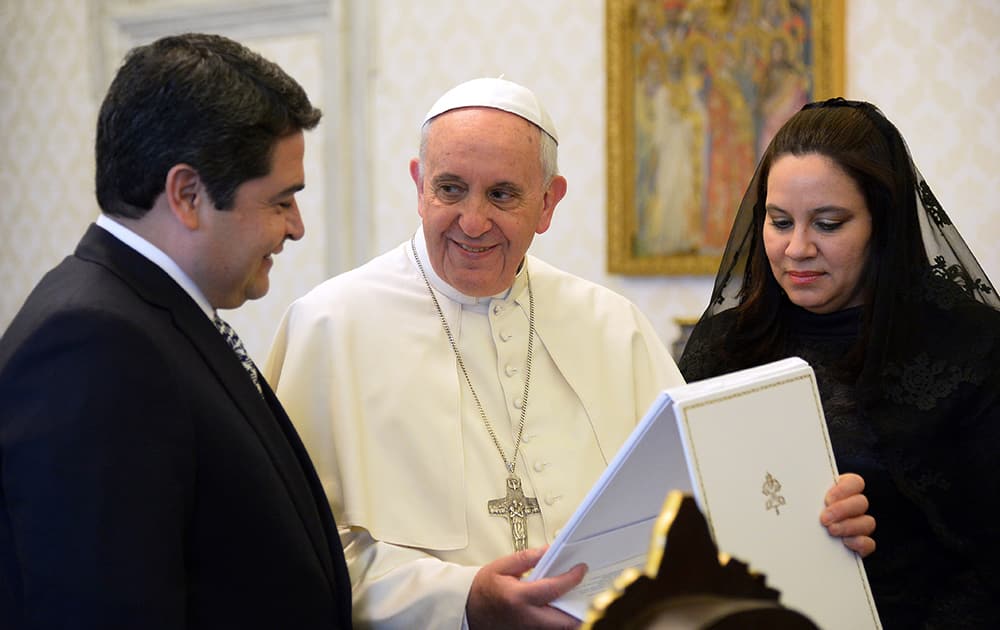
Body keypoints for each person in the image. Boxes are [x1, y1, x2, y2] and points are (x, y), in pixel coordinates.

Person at [265, 79, 871, 629]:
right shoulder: (330, 325)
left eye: (503, 195)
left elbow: (711, 502)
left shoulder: (610, 325)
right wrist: (464, 599)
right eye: (450, 189)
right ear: (419, 186)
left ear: (549, 203)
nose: (472, 222)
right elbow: (293, 551)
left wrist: (813, 516)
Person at [0, 33, 351, 629]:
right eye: (280, 200)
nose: (296, 228)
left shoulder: (149, 314)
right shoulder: (93, 345)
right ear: (188, 195)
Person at [678, 97, 1000, 627]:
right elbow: (681, 509)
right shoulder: (723, 346)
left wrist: (875, 529)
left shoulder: (970, 345)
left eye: (828, 224)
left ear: (884, 225)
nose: (797, 248)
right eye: (779, 221)